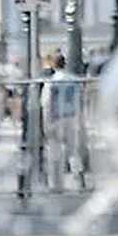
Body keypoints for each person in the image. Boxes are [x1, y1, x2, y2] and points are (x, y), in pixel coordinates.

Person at [41, 54, 85, 189]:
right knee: (74, 151)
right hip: (72, 118)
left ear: (54, 65)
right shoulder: (74, 80)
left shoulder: (51, 82)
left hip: (56, 119)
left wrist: (46, 123)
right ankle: (78, 179)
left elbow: (46, 103)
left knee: (55, 152)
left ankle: (57, 184)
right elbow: (80, 99)